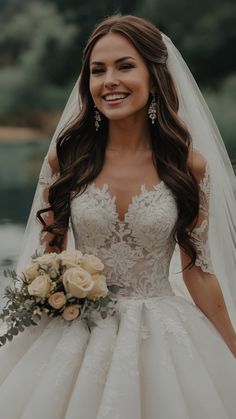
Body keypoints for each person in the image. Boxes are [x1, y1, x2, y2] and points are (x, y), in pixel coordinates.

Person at [0, 13, 236, 419]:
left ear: (154, 75)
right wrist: (46, 290)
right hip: (75, 328)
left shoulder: (188, 167)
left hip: (160, 333)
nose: (109, 80)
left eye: (125, 66)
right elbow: (47, 253)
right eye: (97, 70)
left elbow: (198, 270)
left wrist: (232, 348)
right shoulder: (67, 159)